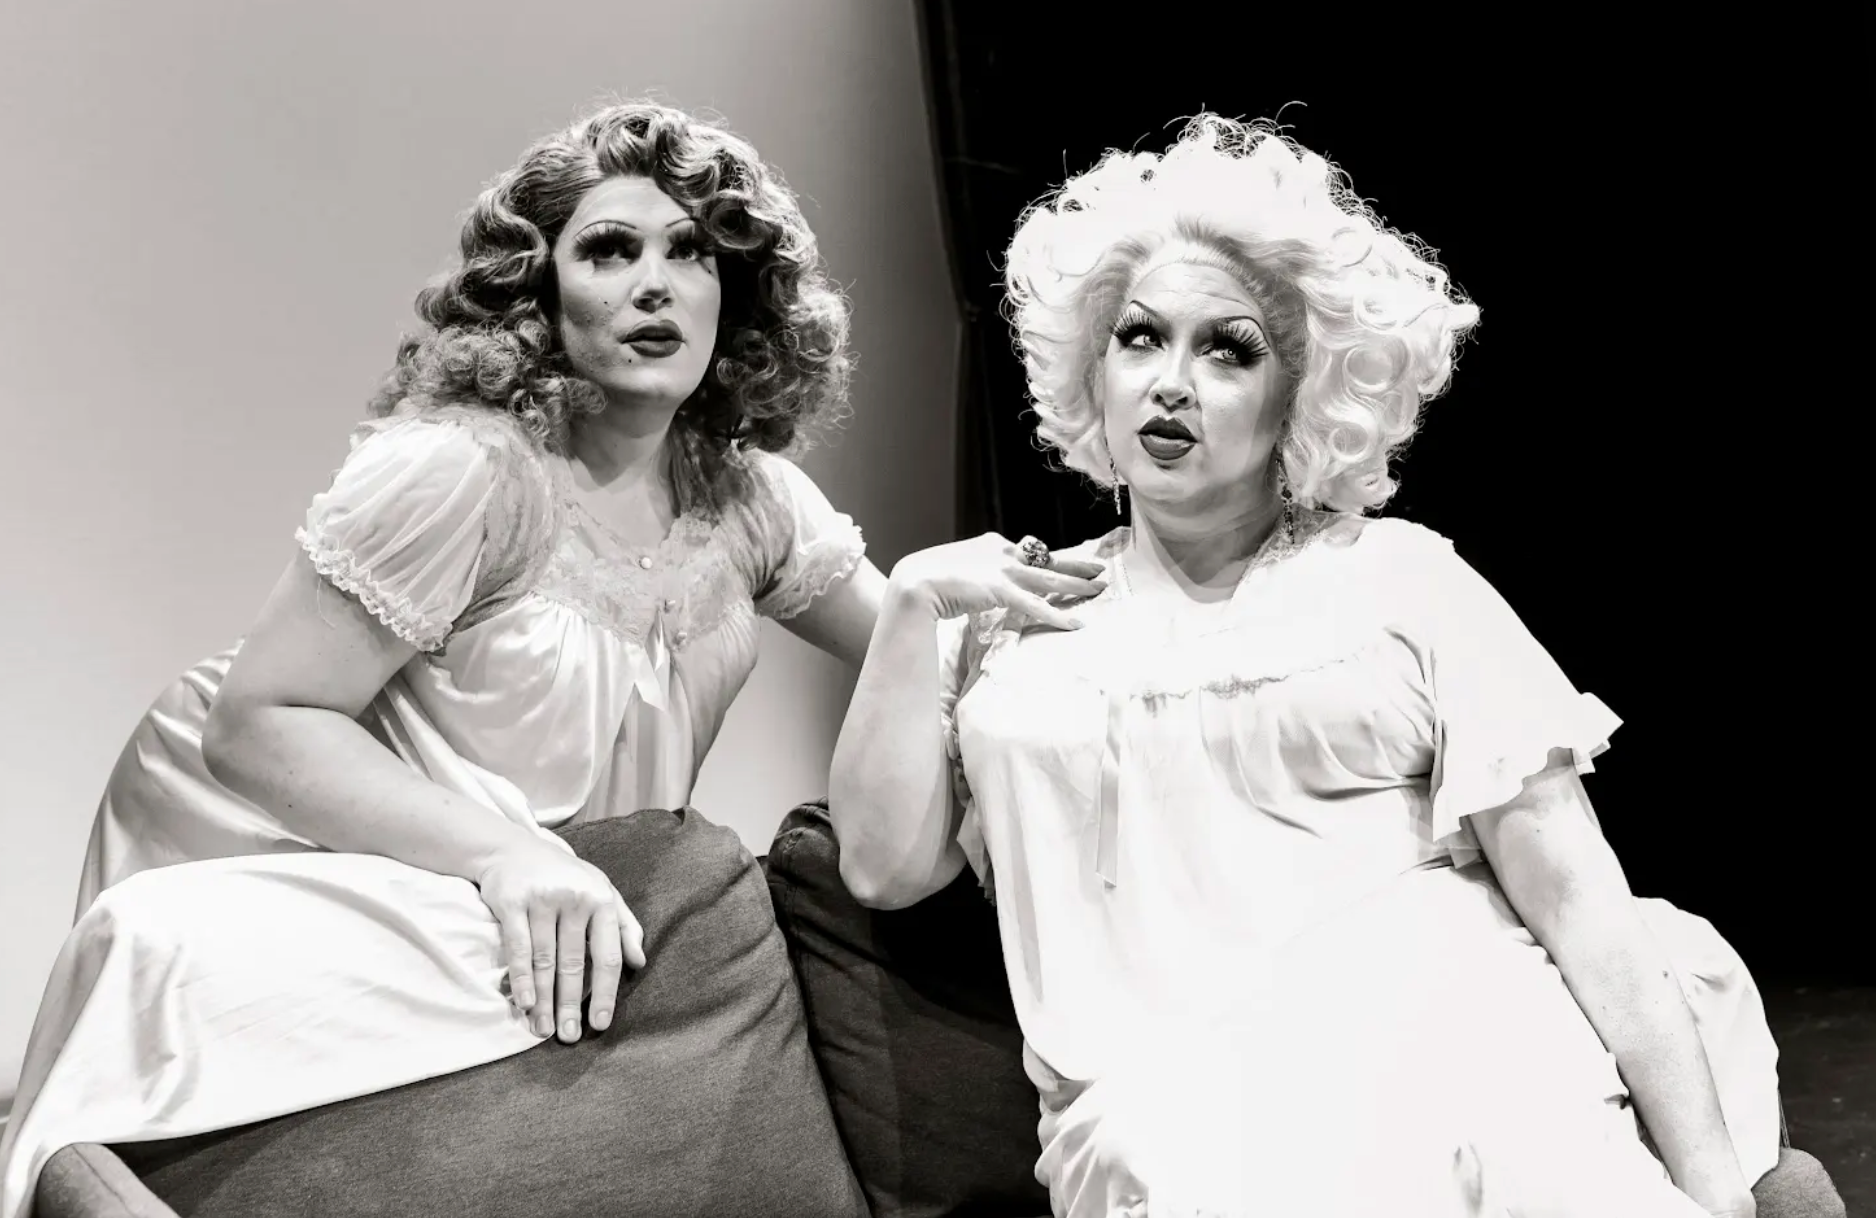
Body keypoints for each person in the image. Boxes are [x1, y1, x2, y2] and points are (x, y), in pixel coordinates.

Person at [829, 115, 1778, 1217]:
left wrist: (1718, 1192)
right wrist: (909, 608)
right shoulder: (1007, 621)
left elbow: (1576, 898)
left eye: (1227, 350)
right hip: (1172, 1117)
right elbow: (882, 870)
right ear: (1093, 365)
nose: (1171, 383)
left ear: (1303, 394)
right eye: (1140, 338)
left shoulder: (1401, 582)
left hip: (1448, 1036)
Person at [1, 99, 887, 1218]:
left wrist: (992, 601)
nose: (656, 285)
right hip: (321, 840)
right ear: (539, 290)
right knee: (171, 990)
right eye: (610, 250)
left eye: (692, 253)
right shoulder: (465, 470)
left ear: (737, 292)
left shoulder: (749, 498)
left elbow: (913, 642)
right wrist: (505, 856)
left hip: (552, 882)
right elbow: (259, 721)